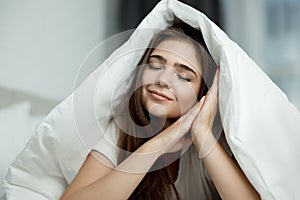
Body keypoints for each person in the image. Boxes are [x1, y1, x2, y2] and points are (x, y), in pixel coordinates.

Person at [60, 22, 260, 200]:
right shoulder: (122, 129)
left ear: (203, 93)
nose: (162, 80)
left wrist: (202, 132)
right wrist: (157, 145)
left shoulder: (220, 139)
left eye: (183, 76)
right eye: (155, 65)